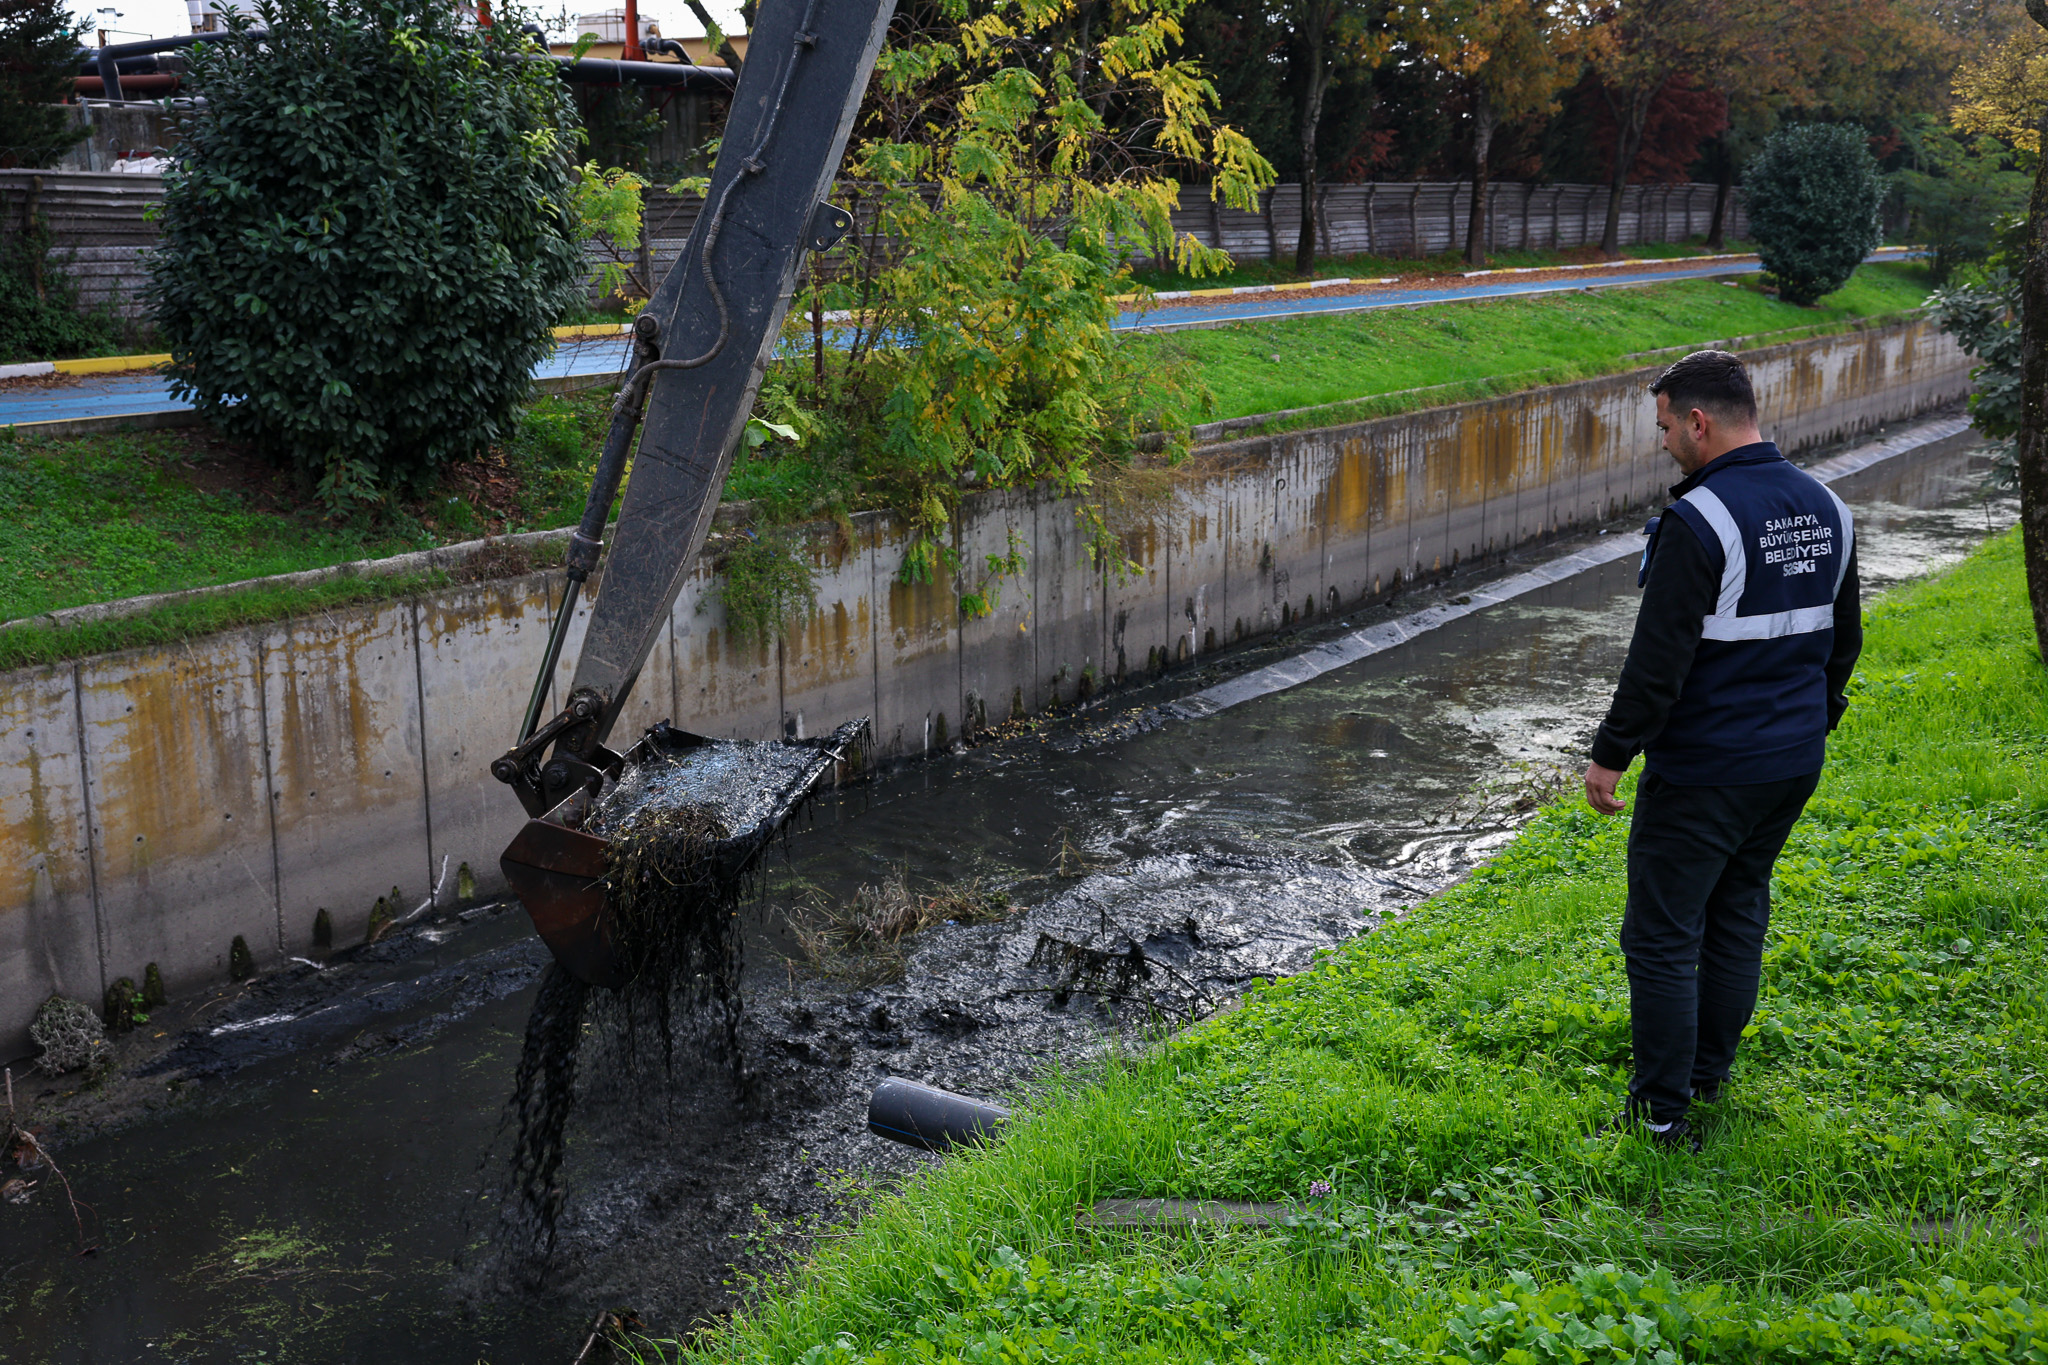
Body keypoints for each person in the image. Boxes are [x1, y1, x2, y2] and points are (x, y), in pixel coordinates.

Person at [1582, 349, 1862, 1153]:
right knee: (1737, 908)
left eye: (1666, 426)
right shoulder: (1829, 508)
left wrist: (1610, 754)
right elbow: (1844, 641)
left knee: (1664, 934)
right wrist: (1817, 717)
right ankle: (1708, 1073)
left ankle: (1662, 1114)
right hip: (1789, 761)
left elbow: (1656, 664)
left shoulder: (1698, 521)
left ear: (1698, 421)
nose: (1664, 441)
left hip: (1705, 769)